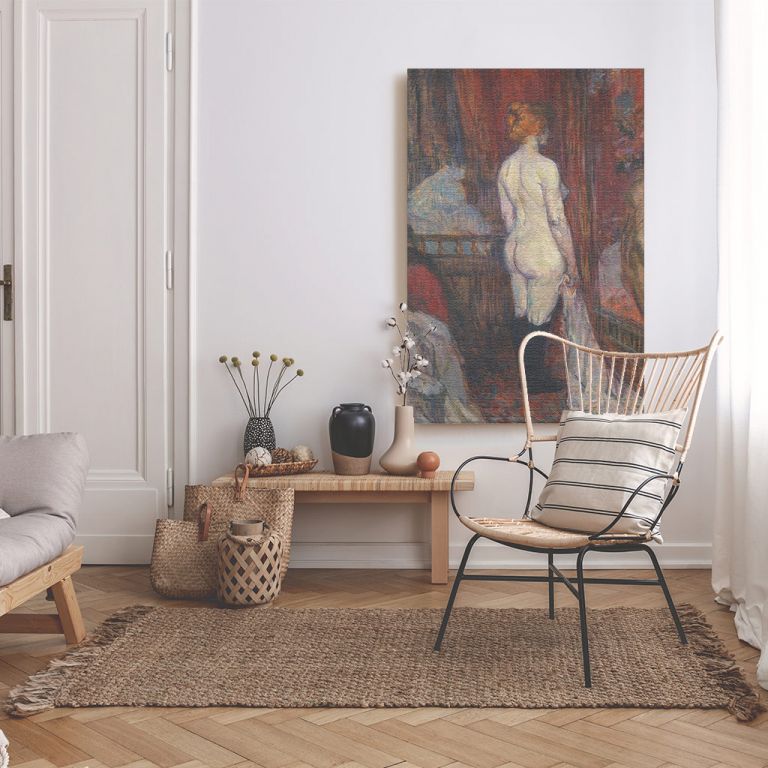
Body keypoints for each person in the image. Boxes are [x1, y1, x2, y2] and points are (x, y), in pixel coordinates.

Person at [497, 102, 579, 391]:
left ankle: (526, 377)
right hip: (541, 249)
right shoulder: (546, 166)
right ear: (539, 130)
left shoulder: (506, 167)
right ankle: (535, 381)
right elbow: (556, 219)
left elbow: (507, 216)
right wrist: (572, 264)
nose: (548, 134)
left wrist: (520, 236)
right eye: (546, 129)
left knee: (522, 313)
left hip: (514, 248)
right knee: (539, 319)